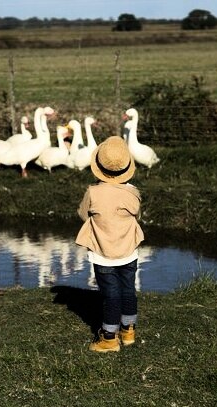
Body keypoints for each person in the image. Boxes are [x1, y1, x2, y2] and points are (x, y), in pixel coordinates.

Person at [75, 136, 144, 353]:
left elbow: (82, 214)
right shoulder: (132, 193)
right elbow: (137, 215)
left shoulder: (93, 193)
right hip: (128, 252)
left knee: (110, 295)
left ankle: (109, 337)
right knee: (128, 290)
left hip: (102, 253)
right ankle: (128, 330)